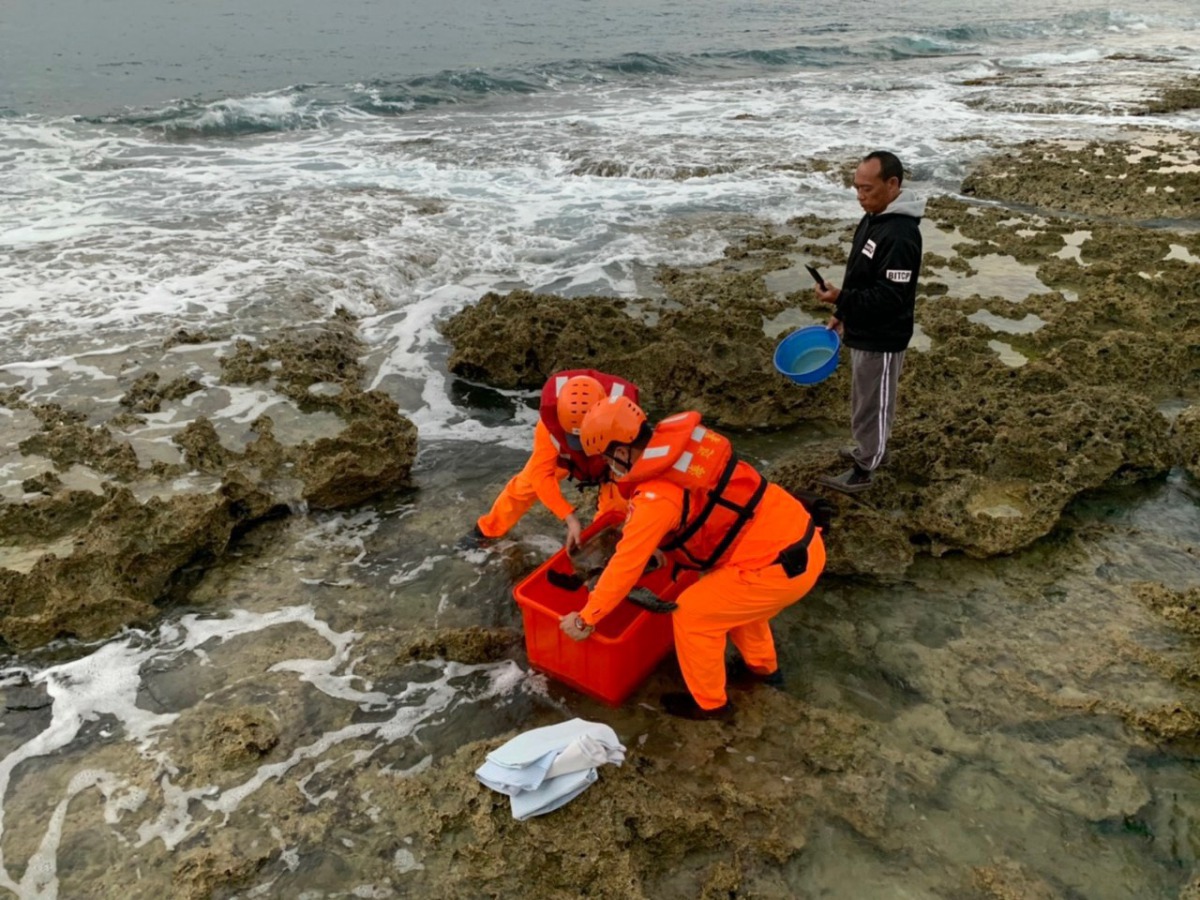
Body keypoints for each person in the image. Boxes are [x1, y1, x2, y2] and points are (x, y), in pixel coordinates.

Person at [558, 396, 826, 720]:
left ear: (621, 452)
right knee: (734, 604)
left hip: (775, 568)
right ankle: (765, 672)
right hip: (799, 537)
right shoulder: (681, 447)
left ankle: (712, 705)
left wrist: (586, 618)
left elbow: (624, 566)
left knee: (692, 614)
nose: (608, 466)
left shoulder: (657, 498)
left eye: (606, 458)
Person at [814, 150, 924, 494]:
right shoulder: (874, 218)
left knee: (874, 403)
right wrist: (842, 312)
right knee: (864, 400)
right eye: (856, 189)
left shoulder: (901, 234)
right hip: (862, 328)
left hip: (883, 336)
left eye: (867, 189)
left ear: (893, 184)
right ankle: (870, 449)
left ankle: (865, 470)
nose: (860, 197)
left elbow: (891, 297)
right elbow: (862, 278)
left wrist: (841, 299)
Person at [468, 370, 639, 551]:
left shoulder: (623, 417)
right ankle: (488, 529)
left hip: (608, 457)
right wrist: (569, 516)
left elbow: (634, 462)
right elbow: (541, 475)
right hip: (567, 455)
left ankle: (608, 543)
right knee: (524, 486)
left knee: (619, 503)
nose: (582, 445)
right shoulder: (550, 424)